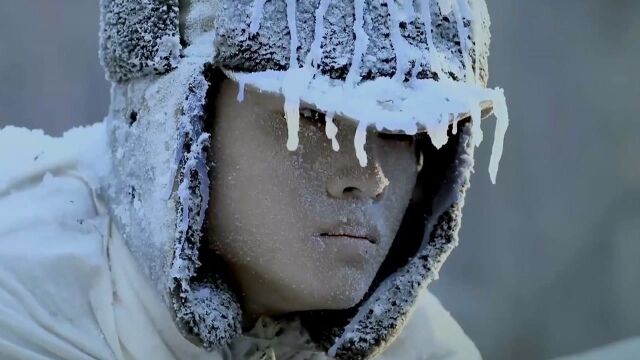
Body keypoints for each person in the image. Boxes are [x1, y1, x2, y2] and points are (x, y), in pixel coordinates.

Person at [0, 0, 509, 359]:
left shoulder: (427, 351)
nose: (368, 178)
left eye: (402, 130)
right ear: (184, 119)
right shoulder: (24, 306)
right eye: (310, 117)